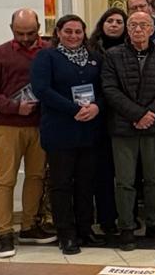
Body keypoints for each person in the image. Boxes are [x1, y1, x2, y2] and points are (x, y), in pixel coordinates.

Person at [0, 8, 53, 257]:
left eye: (30, 33)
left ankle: (29, 225)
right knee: (5, 179)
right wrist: (14, 107)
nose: (25, 38)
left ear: (39, 28)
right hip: (8, 125)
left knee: (36, 176)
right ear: (11, 29)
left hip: (41, 125)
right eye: (20, 33)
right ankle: (4, 232)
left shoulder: (49, 51)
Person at [101, 11, 155, 250]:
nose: (138, 29)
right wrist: (137, 114)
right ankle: (126, 227)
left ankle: (154, 223)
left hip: (154, 126)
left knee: (154, 178)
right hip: (123, 127)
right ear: (127, 29)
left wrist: (150, 113)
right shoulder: (113, 55)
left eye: (144, 25)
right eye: (133, 25)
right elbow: (110, 89)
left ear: (152, 30)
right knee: (125, 180)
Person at [30, 14, 105, 255]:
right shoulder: (46, 57)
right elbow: (42, 89)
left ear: (84, 33)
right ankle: (66, 233)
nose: (73, 36)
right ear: (58, 33)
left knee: (86, 183)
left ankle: (85, 228)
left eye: (78, 32)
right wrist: (74, 109)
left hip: (89, 130)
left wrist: (97, 107)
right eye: (68, 31)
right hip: (60, 129)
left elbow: (105, 88)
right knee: (61, 184)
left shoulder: (95, 58)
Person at [87, 8, 126, 234]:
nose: (114, 25)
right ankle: (106, 218)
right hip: (98, 116)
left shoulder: (131, 49)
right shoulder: (90, 50)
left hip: (124, 117)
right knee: (102, 172)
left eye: (119, 21)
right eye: (110, 21)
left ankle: (126, 216)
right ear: (102, 24)